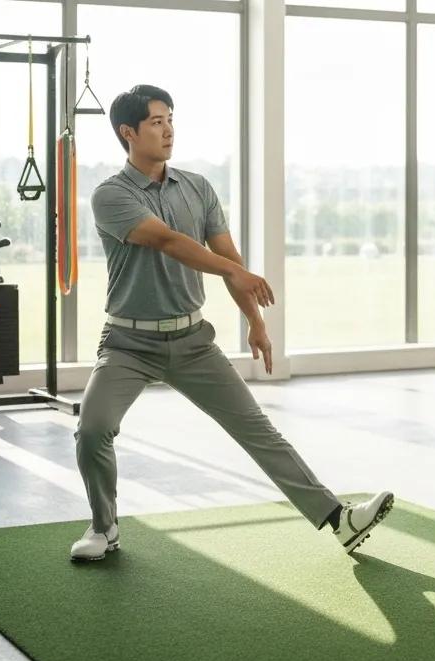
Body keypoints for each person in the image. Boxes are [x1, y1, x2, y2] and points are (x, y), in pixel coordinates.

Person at [71, 85, 393, 561]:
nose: (168, 129)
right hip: (127, 343)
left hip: (193, 342)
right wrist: (235, 272)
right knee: (93, 428)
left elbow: (227, 256)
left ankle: (338, 520)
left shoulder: (198, 188)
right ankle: (104, 528)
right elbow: (165, 241)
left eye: (171, 119)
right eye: (157, 121)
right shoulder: (110, 195)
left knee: (259, 431)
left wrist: (254, 323)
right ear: (128, 132)